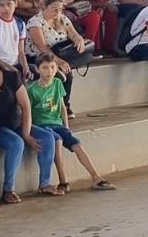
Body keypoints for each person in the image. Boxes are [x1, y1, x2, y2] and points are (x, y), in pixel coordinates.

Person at [0, 45, 60, 200]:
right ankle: (8, 189)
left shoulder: (12, 77)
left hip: (15, 122)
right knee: (16, 143)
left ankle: (45, 183)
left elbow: (26, 106)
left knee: (48, 138)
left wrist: (27, 133)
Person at [27, 52, 115, 191]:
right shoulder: (32, 89)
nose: (49, 71)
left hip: (57, 124)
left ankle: (96, 177)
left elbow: (62, 106)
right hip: (42, 126)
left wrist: (66, 126)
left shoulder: (57, 83)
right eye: (45, 67)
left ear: (56, 68)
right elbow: (28, 113)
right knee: (57, 141)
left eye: (52, 67)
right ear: (38, 69)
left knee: (77, 145)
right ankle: (63, 181)